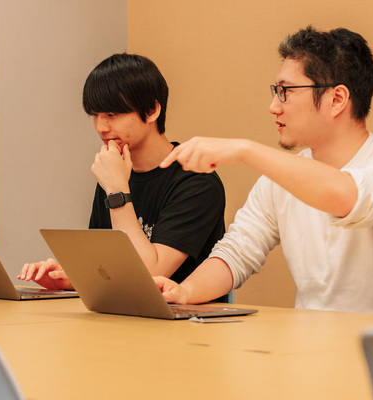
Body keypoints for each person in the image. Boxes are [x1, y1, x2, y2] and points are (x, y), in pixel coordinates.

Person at [155, 26, 373, 318]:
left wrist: (245, 150)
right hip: (313, 350)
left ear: (337, 99)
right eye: (276, 91)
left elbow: (342, 196)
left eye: (286, 91)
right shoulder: (281, 179)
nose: (274, 106)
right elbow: (238, 251)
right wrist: (183, 292)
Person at [17, 53, 227, 297]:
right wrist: (69, 277)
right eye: (95, 115)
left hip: (180, 322)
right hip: (121, 313)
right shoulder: (114, 173)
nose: (100, 127)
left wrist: (117, 191)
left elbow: (149, 273)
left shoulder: (197, 181)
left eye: (112, 115)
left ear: (152, 110)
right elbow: (105, 269)